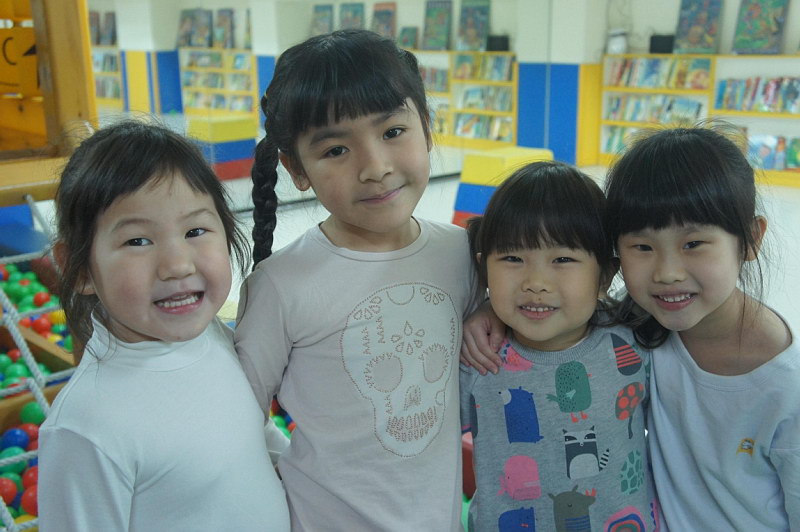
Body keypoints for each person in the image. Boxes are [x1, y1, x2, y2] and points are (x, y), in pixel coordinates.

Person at [235, 29, 477, 531]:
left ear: (427, 128)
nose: (374, 168)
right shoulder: (280, 286)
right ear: (296, 168)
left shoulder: (461, 254)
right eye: (336, 150)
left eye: (392, 132)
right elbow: (237, 423)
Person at [38, 120, 290, 531]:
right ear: (79, 268)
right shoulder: (86, 427)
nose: (177, 265)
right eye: (137, 241)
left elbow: (253, 439)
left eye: (195, 231)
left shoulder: (217, 338)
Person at [605, 124, 799, 530]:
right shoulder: (637, 328)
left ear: (750, 239)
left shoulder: (787, 388)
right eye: (642, 247)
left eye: (693, 244)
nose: (667, 273)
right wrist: (488, 316)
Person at [460, 161, 657, 531]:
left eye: (563, 259)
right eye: (513, 258)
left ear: (606, 274)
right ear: (484, 269)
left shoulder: (635, 342)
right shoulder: (478, 356)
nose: (536, 282)